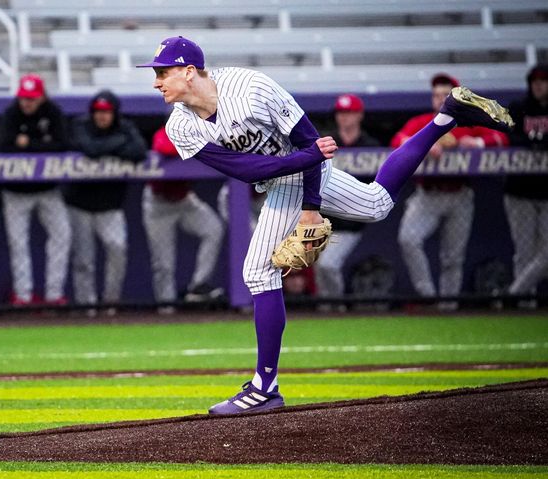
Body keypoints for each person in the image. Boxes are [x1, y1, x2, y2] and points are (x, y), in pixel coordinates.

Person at [136, 36, 513, 414]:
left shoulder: (251, 88)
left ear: (188, 71)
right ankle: (447, 116)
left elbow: (313, 144)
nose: (156, 82)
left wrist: (311, 207)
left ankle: (265, 386)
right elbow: (246, 169)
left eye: (162, 73)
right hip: (286, 170)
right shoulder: (180, 127)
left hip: (307, 170)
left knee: (257, 271)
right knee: (378, 204)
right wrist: (304, 166)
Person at [393, 74, 509, 311]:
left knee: (453, 256)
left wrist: (476, 144)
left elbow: (501, 138)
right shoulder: (424, 122)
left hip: (459, 194)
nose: (438, 100)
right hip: (427, 194)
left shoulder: (467, 122)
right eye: (435, 95)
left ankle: (448, 305)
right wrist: (424, 144)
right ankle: (428, 296)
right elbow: (398, 139)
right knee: (408, 239)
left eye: (444, 95)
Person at [64, 90, 147, 313]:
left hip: (111, 206)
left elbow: (140, 151)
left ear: (114, 113)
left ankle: (111, 301)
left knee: (117, 249)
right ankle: (86, 306)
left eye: (107, 112)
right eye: (98, 112)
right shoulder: (81, 124)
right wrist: (119, 144)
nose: (102, 117)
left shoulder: (125, 127)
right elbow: (90, 149)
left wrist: (111, 144)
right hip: (79, 204)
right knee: (83, 260)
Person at [0, 74, 71, 307]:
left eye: (32, 98)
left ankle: (54, 294)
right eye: (24, 98)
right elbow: (4, 145)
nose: (27, 103)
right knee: (18, 243)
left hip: (47, 188)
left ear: (41, 97)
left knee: (62, 235)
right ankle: (23, 295)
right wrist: (41, 145)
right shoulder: (11, 113)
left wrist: (28, 143)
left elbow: (62, 144)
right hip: (15, 191)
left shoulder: (52, 111)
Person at [143, 124, 224, 311]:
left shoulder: (201, 132)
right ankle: (166, 309)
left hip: (184, 200)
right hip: (158, 204)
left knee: (213, 229)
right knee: (163, 263)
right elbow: (164, 148)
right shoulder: (162, 133)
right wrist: (193, 146)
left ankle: (198, 285)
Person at [314, 94, 380, 309]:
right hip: (323, 219)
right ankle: (326, 308)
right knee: (318, 267)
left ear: (359, 115)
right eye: (341, 113)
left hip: (350, 222)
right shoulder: (328, 142)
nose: (345, 117)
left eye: (349, 112)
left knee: (328, 265)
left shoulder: (370, 145)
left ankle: (338, 306)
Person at [504, 64, 548, 306]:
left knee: (546, 253)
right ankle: (524, 304)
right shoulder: (520, 108)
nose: (539, 84)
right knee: (524, 251)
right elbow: (508, 135)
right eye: (535, 80)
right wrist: (531, 142)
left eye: (543, 80)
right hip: (520, 190)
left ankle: (514, 294)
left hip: (546, 192)